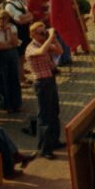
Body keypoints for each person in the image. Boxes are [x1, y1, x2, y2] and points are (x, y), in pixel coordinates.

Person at [26, 22, 64, 159]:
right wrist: (50, 37)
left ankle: (54, 141)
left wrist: (54, 38)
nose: (44, 35)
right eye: (41, 33)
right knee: (44, 116)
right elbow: (41, 51)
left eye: (44, 32)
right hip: (41, 83)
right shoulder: (30, 48)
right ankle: (44, 148)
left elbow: (60, 51)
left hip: (50, 80)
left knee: (54, 112)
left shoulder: (45, 44)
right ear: (33, 34)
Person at [0, 10, 23, 113]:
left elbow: (15, 42)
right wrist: (9, 45)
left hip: (13, 54)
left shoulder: (13, 28)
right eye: (0, 19)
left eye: (4, 19)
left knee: (14, 78)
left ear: (8, 19)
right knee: (4, 79)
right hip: (2, 55)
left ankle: (17, 104)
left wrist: (9, 32)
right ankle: (7, 105)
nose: (2, 21)